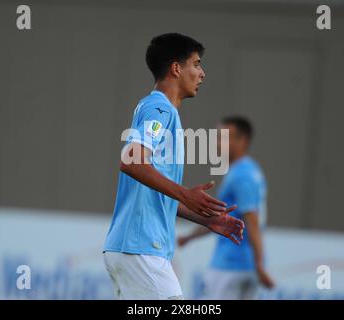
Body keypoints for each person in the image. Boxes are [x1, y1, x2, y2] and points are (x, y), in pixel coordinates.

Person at [103, 33, 245, 300]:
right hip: (141, 249)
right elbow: (130, 161)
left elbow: (153, 192)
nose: (202, 73)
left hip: (137, 249)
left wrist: (204, 217)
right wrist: (185, 194)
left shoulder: (158, 109)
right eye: (196, 64)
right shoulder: (160, 110)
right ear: (176, 68)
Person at [178, 116, 275, 300]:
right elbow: (221, 219)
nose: (217, 143)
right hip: (247, 265)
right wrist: (190, 237)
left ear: (242, 141)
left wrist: (259, 263)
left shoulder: (241, 175)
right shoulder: (251, 170)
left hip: (230, 264)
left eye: (224, 137)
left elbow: (251, 219)